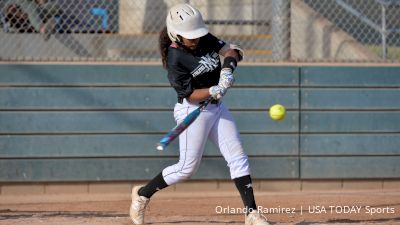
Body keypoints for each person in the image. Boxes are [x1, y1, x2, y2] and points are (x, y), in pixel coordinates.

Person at [129, 3, 269, 225]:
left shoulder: (203, 38)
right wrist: (214, 89)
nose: (195, 39)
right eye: (190, 36)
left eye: (197, 35)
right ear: (176, 35)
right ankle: (143, 195)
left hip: (216, 107)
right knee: (187, 168)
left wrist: (227, 70)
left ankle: (251, 213)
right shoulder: (175, 59)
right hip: (193, 109)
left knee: (237, 157)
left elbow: (231, 51)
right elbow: (190, 94)